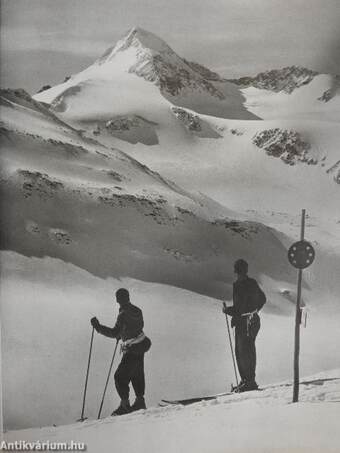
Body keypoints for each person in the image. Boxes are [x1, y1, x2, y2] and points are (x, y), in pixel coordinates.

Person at [91, 288, 151, 415]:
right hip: (141, 344)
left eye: (117, 297)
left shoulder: (122, 314)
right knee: (137, 374)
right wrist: (124, 332)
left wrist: (98, 326)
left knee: (119, 377)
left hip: (131, 348)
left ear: (119, 299)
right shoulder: (137, 310)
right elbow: (139, 326)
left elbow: (114, 333)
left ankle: (125, 406)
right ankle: (140, 402)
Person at [223, 259, 266, 392]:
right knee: (241, 352)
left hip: (248, 322)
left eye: (239, 271)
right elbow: (240, 307)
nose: (239, 273)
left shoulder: (247, 284)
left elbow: (259, 300)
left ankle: (250, 382)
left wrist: (253, 312)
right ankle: (245, 381)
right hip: (244, 322)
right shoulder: (241, 284)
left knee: (246, 351)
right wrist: (229, 310)